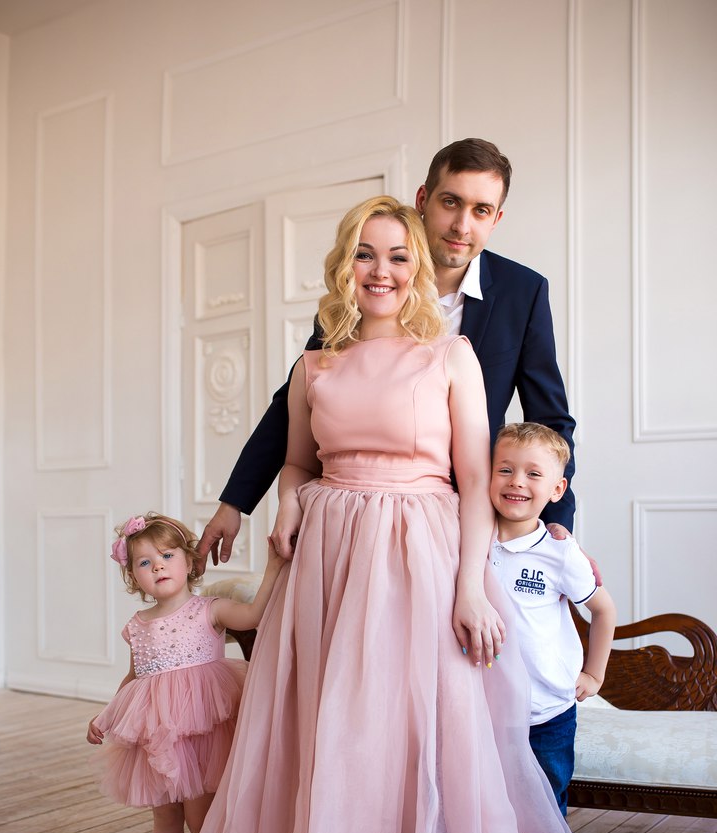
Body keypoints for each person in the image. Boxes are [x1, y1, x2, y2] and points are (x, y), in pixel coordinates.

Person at [35, 200, 715, 833]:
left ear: (419, 267)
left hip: (419, 557)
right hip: (325, 563)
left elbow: (472, 480)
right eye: (365, 254)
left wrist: (469, 589)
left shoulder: (452, 355)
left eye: (397, 255)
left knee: (408, 736)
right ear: (343, 266)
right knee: (328, 733)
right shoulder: (316, 364)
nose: (382, 270)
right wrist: (288, 501)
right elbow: (296, 459)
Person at [197, 138, 576, 574]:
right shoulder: (362, 290)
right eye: (450, 202)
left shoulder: (523, 292)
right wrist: (234, 502)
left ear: (496, 219)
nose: (461, 225)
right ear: (423, 199)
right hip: (355, 523)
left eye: (481, 210)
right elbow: (299, 400)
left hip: (480, 516)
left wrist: (554, 527)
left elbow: (549, 419)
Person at [86, 512, 283, 833]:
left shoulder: (210, 610)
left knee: (200, 817)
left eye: (167, 556)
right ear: (133, 577)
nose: (157, 566)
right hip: (157, 738)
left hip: (200, 735)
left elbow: (254, 616)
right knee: (164, 816)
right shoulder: (138, 626)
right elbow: (135, 677)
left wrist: (274, 567)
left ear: (190, 561)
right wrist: (106, 716)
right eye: (144, 562)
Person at [489, 423, 616, 815]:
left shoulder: (560, 552)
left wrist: (594, 674)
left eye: (533, 473)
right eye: (505, 469)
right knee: (492, 807)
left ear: (557, 489)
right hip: (486, 710)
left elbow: (603, 610)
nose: (517, 481)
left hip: (547, 712)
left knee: (545, 806)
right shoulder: (471, 541)